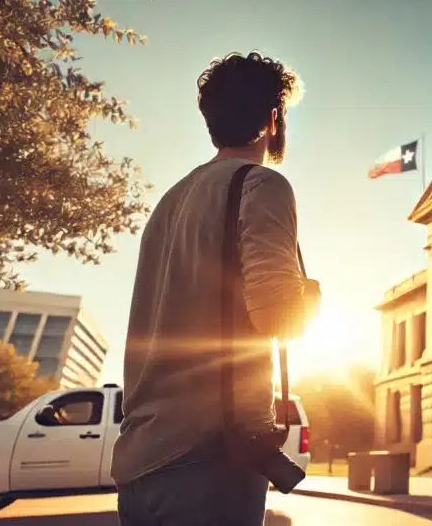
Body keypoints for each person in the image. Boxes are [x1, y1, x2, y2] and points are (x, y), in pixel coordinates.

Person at [112, 52, 318, 526]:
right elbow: (280, 317)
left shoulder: (169, 202)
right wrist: (311, 294)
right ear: (273, 119)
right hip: (209, 459)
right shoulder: (261, 184)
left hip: (139, 466)